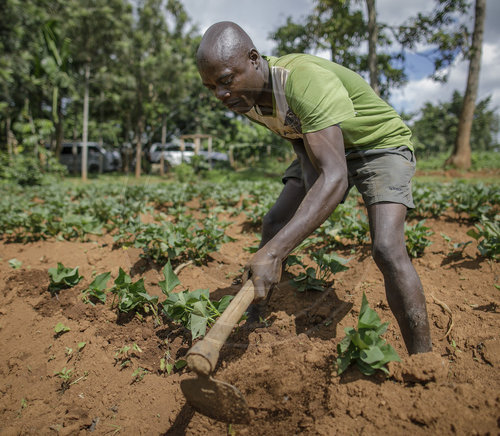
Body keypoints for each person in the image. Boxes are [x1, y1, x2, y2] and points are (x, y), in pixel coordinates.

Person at [196, 21, 432, 355]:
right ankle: (254, 316)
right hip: (321, 145)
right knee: (275, 223)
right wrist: (309, 198)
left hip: (378, 146)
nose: (221, 95)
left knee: (387, 247)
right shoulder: (246, 99)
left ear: (253, 59)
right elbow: (295, 135)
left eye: (225, 80)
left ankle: (423, 359)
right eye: (211, 88)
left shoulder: (300, 79)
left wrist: (276, 251)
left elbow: (335, 177)